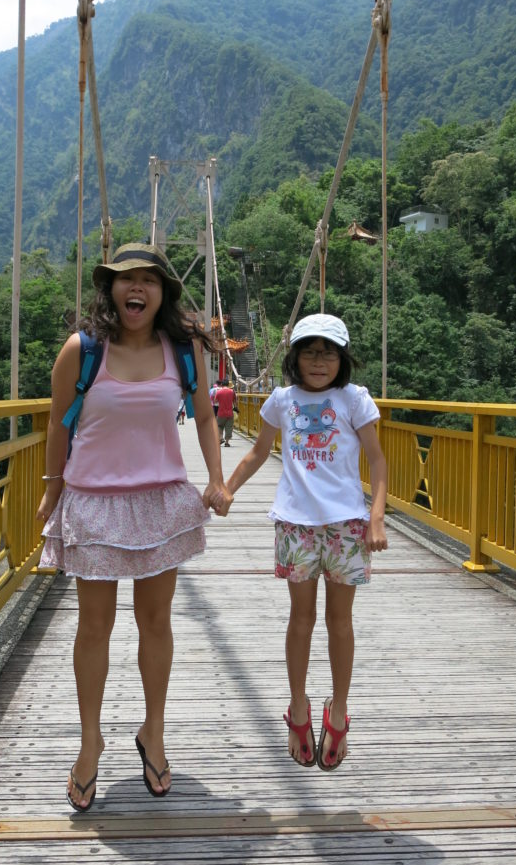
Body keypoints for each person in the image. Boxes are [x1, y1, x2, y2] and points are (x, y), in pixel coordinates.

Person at [37, 242, 232, 811]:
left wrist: (216, 480)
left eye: (148, 279)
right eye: (126, 279)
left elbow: (204, 416)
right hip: (94, 503)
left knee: (156, 624)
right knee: (94, 628)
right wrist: (52, 489)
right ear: (111, 289)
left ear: (163, 292)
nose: (136, 288)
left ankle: (154, 730)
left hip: (160, 502)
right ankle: (89, 741)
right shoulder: (83, 350)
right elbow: (56, 421)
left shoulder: (185, 349)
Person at [215, 313, 387, 771]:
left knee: (340, 622)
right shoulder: (281, 400)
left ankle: (338, 709)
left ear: (342, 359)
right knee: (301, 619)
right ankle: (298, 706)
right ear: (294, 357)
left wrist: (376, 517)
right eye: (309, 351)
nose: (318, 361)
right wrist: (228, 488)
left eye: (328, 352)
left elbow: (377, 460)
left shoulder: (355, 400)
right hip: (295, 523)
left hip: (346, 525)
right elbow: (256, 452)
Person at [215, 378, 236, 447]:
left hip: (221, 413)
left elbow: (215, 401)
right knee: (229, 427)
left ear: (221, 384)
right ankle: (227, 442)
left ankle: (221, 438)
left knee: (219, 426)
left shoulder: (218, 392)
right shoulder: (232, 391)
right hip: (230, 413)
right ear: (228, 385)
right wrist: (235, 407)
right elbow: (235, 402)